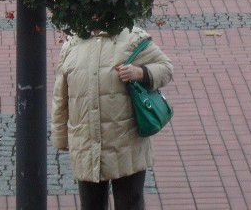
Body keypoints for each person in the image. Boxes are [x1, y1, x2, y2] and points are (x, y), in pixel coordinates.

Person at [51, 25, 173, 210]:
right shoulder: (72, 44)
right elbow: (61, 95)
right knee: (91, 205)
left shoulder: (132, 37)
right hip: (87, 144)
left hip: (126, 145)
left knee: (129, 204)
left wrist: (139, 73)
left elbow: (165, 68)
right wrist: (60, 136)